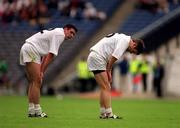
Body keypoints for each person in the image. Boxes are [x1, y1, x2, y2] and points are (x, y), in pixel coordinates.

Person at [19, 24, 78, 118]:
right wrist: (41, 71)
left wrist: (41, 70)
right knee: (37, 82)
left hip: (28, 48)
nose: (71, 36)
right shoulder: (60, 34)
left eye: (74, 35)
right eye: (71, 32)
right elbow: (50, 56)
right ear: (65, 29)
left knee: (32, 82)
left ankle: (31, 110)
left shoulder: (57, 32)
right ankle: (38, 111)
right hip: (32, 49)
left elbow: (47, 55)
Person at [87, 33, 145, 119]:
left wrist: (108, 69)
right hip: (98, 57)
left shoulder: (122, 37)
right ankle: (109, 114)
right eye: (133, 51)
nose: (130, 52)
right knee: (107, 87)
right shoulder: (125, 41)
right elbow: (114, 57)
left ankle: (103, 114)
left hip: (94, 56)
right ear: (134, 44)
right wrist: (109, 70)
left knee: (104, 87)